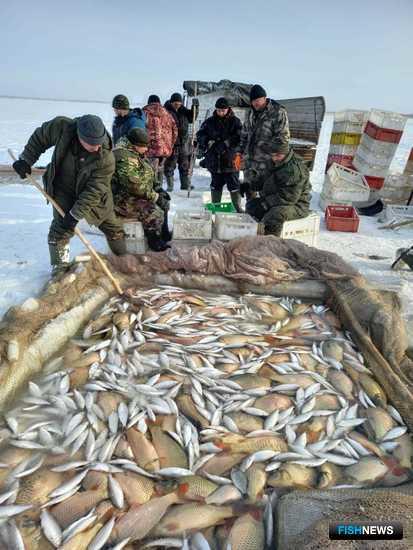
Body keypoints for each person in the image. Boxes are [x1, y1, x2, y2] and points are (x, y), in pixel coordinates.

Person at [13, 115, 126, 275]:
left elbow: (94, 191)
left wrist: (75, 215)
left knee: (113, 227)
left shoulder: (106, 158)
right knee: (60, 229)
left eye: (99, 143)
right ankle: (60, 270)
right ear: (80, 137)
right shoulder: (62, 127)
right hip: (63, 187)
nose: (97, 147)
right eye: (92, 144)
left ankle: (124, 260)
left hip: (95, 197)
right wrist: (26, 160)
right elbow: (40, 138)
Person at [112, 128, 171, 252]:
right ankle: (154, 240)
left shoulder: (136, 153)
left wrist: (159, 189)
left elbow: (149, 174)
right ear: (135, 145)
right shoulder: (123, 157)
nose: (146, 150)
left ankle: (163, 234)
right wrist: (155, 197)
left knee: (164, 202)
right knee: (153, 211)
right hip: (122, 198)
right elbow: (135, 186)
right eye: (144, 147)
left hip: (138, 193)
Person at [234, 84, 290, 199]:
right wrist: (239, 153)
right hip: (250, 162)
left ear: (265, 98)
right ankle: (251, 215)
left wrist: (277, 160)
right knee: (250, 193)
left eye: (258, 100)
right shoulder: (249, 113)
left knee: (267, 194)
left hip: (267, 164)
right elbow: (244, 135)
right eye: (253, 101)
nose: (256, 103)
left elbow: (283, 137)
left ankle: (264, 216)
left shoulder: (278, 111)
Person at [245, 146, 311, 236]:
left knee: (274, 215)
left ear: (286, 152)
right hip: (274, 200)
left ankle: (272, 244)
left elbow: (289, 197)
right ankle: (254, 235)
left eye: (278, 155)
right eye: (273, 155)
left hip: (297, 205)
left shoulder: (295, 169)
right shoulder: (273, 161)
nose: (275, 158)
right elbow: (263, 180)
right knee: (251, 206)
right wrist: (250, 185)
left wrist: (266, 204)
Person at [196, 97, 243, 212]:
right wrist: (205, 141)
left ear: (228, 109)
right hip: (214, 160)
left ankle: (237, 207)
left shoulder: (235, 121)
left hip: (230, 160)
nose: (221, 112)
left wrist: (226, 143)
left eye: (223, 110)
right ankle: (215, 207)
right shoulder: (209, 122)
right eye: (218, 110)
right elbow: (200, 134)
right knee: (216, 184)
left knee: (233, 184)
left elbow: (240, 136)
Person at [164, 92, 199, 191]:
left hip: (184, 143)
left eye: (179, 104)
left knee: (184, 165)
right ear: (171, 103)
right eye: (175, 104)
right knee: (170, 165)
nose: (177, 106)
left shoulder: (183, 111)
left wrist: (195, 106)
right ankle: (170, 186)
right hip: (172, 143)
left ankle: (185, 185)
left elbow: (192, 117)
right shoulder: (166, 112)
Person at [143, 95, 178, 187]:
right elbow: (175, 131)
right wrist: (170, 145)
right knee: (160, 170)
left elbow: (140, 130)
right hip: (164, 149)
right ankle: (160, 191)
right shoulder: (167, 113)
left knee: (150, 173)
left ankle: (153, 193)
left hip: (149, 148)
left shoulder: (144, 113)